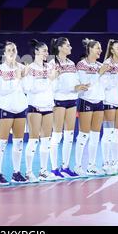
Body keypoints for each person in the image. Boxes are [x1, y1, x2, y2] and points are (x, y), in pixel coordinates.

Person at [23, 39, 59, 182]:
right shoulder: (30, 68)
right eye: (44, 51)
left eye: (47, 51)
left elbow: (54, 88)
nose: (47, 53)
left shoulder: (50, 67)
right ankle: (29, 172)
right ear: (36, 52)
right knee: (33, 141)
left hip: (48, 107)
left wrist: (53, 79)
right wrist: (49, 80)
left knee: (46, 141)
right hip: (35, 108)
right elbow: (30, 89)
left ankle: (43, 171)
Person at [0, 42, 28, 185]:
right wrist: (17, 79)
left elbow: (26, 89)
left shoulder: (22, 68)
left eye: (14, 49)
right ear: (4, 54)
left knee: (18, 142)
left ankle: (16, 173)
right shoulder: (0, 69)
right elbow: (1, 90)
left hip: (20, 109)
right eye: (9, 50)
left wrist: (24, 77)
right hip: (6, 109)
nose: (12, 52)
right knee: (1, 142)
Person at [74, 39, 110, 176]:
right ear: (90, 50)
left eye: (101, 48)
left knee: (95, 136)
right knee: (83, 135)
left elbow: (105, 85)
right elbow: (85, 84)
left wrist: (108, 74)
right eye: (97, 48)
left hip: (99, 102)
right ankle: (78, 166)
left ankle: (91, 165)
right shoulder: (81, 64)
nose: (100, 50)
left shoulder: (101, 65)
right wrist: (99, 73)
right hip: (86, 101)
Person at [48, 37, 80, 179]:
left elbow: (75, 81)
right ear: (60, 48)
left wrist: (79, 87)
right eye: (67, 45)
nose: (70, 47)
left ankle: (65, 167)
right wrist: (55, 77)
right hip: (59, 101)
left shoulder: (72, 63)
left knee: (69, 136)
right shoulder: (52, 63)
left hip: (72, 100)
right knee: (57, 136)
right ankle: (54, 169)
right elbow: (50, 85)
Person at [100, 39, 118, 175]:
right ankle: (106, 162)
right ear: (112, 50)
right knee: (108, 134)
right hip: (109, 102)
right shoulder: (106, 64)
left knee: (117, 135)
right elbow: (105, 85)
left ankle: (115, 162)